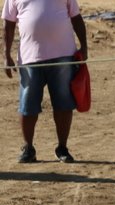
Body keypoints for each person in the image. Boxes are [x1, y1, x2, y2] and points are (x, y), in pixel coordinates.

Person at [3, 0, 87, 163]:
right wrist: (6, 55)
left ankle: (62, 148)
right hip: (29, 58)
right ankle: (28, 148)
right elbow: (8, 23)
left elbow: (76, 17)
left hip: (63, 56)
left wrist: (84, 47)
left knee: (64, 103)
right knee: (28, 104)